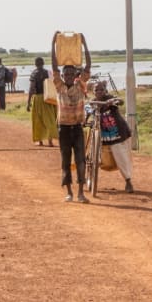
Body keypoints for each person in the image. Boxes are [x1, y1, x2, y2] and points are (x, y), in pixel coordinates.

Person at [52, 31, 92, 203]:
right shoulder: (59, 86)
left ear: (75, 75)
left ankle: (81, 193)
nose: (68, 76)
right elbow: (53, 65)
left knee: (81, 160)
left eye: (71, 74)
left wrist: (84, 44)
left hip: (76, 127)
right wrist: (53, 43)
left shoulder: (81, 85)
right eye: (65, 74)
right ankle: (69, 191)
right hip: (63, 128)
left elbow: (89, 65)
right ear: (62, 76)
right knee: (65, 159)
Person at [91, 81, 134, 193]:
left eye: (101, 89)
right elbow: (88, 109)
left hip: (117, 134)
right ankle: (88, 177)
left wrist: (114, 101)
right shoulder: (93, 102)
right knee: (93, 153)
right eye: (96, 90)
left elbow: (120, 101)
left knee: (121, 157)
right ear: (93, 92)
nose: (99, 92)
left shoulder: (109, 98)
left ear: (105, 90)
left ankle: (128, 181)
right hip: (102, 136)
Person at [25, 56, 57, 147]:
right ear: (43, 63)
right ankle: (50, 141)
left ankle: (40, 141)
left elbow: (31, 89)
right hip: (48, 98)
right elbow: (53, 85)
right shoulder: (48, 72)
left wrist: (28, 102)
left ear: (35, 64)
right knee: (50, 119)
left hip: (38, 98)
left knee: (38, 120)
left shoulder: (34, 74)